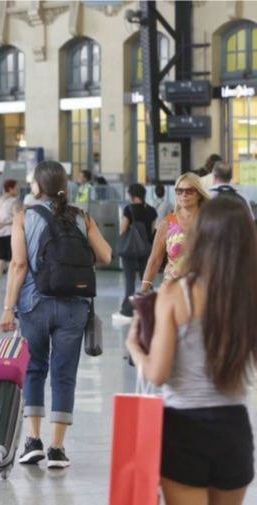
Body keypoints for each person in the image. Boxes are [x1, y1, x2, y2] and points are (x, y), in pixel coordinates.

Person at [126, 197, 257, 505]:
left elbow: (158, 374)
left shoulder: (177, 292)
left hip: (183, 431)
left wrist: (133, 346)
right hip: (234, 429)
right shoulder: (250, 297)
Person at [0, 161, 112, 469]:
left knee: (34, 369)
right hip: (74, 306)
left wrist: (8, 309)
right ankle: (57, 449)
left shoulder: (24, 218)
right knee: (64, 374)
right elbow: (106, 254)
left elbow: (19, 266)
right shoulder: (82, 217)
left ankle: (33, 442)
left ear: (37, 187)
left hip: (34, 304)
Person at [141, 173, 210, 291]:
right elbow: (155, 260)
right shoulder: (167, 223)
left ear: (199, 193)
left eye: (190, 191)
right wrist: (143, 290)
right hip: (171, 290)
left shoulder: (211, 221)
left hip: (203, 291)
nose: (184, 195)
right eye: (180, 191)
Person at [113, 183, 158, 324]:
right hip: (145, 250)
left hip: (129, 251)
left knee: (130, 281)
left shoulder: (128, 209)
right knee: (147, 280)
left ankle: (128, 309)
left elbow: (123, 229)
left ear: (132, 195)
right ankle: (151, 308)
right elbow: (152, 231)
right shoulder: (151, 211)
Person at [0, 179, 22, 289]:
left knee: (1, 256)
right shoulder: (14, 202)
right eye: (17, 188)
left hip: (0, 233)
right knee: (12, 258)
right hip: (11, 232)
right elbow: (17, 217)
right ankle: (11, 279)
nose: (18, 190)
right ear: (10, 189)